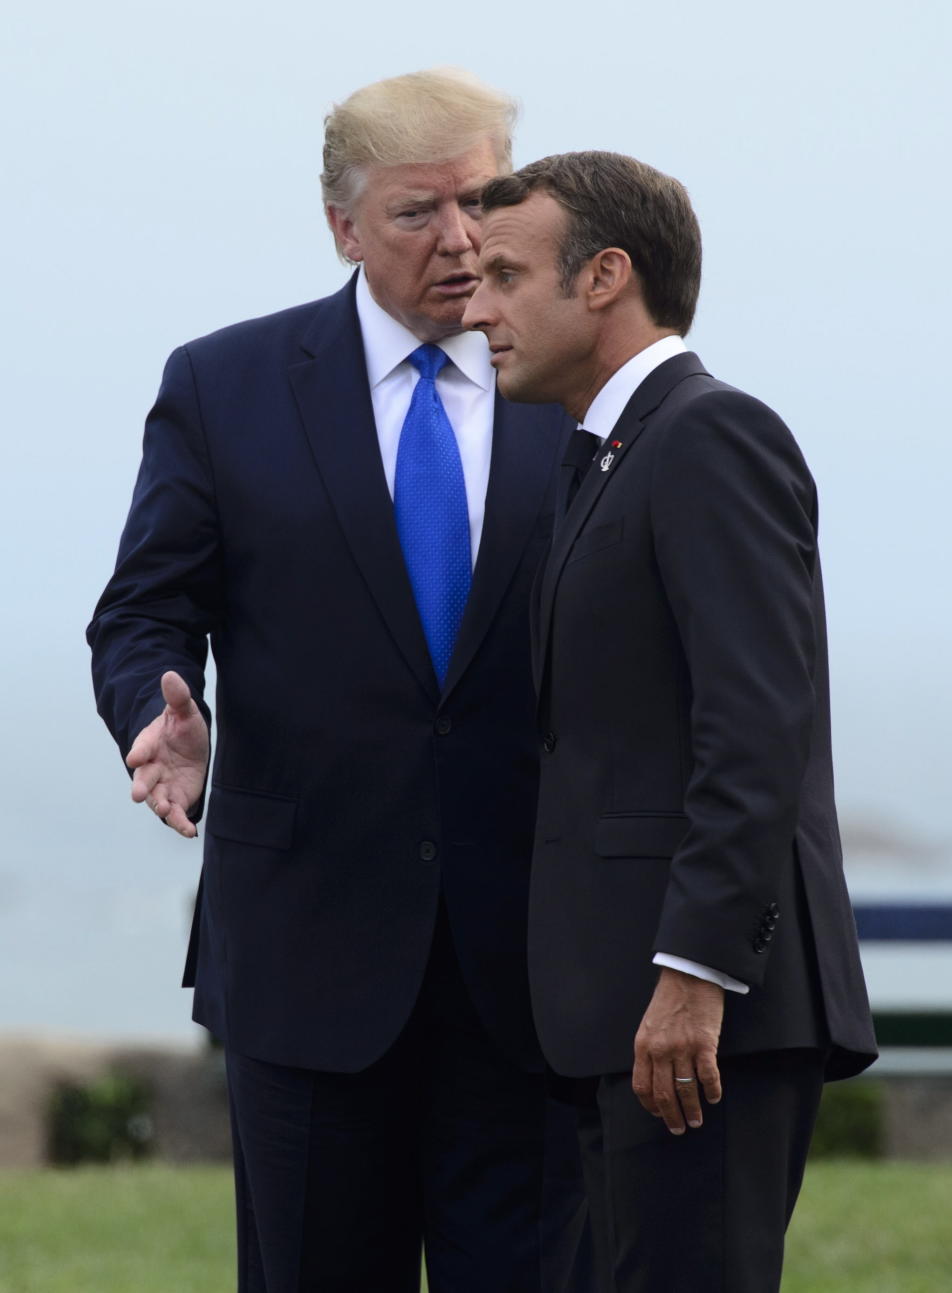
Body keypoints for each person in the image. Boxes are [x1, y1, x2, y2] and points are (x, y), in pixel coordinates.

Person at [86, 71, 587, 1293]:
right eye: (420, 213)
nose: (462, 241)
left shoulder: (578, 386)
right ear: (343, 227)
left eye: (485, 202)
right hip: (306, 953)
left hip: (528, 958)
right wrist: (160, 711)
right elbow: (146, 608)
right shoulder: (225, 386)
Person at [463, 151, 878, 1292]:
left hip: (699, 1027)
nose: (477, 305)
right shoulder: (597, 461)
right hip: (620, 1019)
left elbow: (755, 726)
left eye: (504, 274)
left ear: (605, 277)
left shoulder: (710, 436)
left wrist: (693, 974)